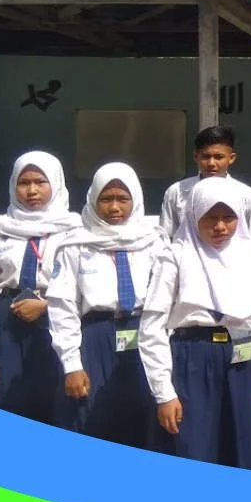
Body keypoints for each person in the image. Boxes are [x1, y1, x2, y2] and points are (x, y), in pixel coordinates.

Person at [139, 178, 251, 470]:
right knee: (193, 446)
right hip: (192, 358)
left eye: (228, 217)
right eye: (211, 217)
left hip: (242, 361)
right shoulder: (175, 256)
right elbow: (152, 326)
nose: (220, 227)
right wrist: (164, 392)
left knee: (242, 447)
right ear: (194, 215)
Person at [47, 163, 165, 446]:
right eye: (106, 199)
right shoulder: (76, 244)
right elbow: (62, 307)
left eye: (123, 199)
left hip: (145, 336)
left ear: (135, 200)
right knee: (91, 418)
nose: (114, 208)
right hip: (95, 339)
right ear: (92, 200)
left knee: (142, 417)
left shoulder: (154, 242)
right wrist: (71, 364)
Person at [0, 151, 81, 423]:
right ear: (13, 185)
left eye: (40, 182)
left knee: (54, 405)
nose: (31, 190)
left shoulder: (74, 229)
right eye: (24, 182)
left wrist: (47, 306)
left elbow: (87, 288)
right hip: (6, 323)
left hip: (57, 322)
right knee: (4, 402)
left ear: (56, 183)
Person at [160, 126, 251, 244]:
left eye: (219, 157)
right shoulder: (176, 191)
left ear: (231, 158)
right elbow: (166, 236)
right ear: (196, 156)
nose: (211, 163)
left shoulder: (247, 196)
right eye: (206, 156)